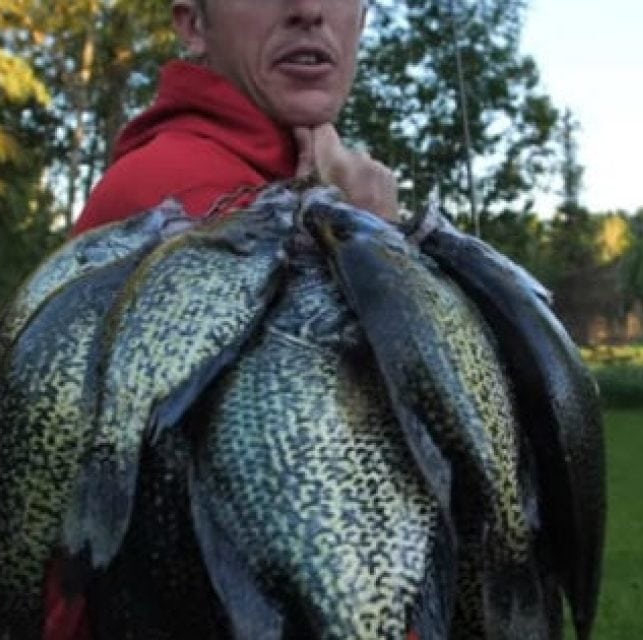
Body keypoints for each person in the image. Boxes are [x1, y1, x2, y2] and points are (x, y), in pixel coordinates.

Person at [48, 1, 396, 638]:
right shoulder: (187, 201)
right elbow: (334, 507)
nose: (310, 10)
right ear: (193, 25)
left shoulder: (289, 184)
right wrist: (376, 252)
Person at [72, 0, 398, 236]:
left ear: (361, 23)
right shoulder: (170, 199)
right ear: (194, 26)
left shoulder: (322, 183)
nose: (309, 10)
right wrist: (371, 242)